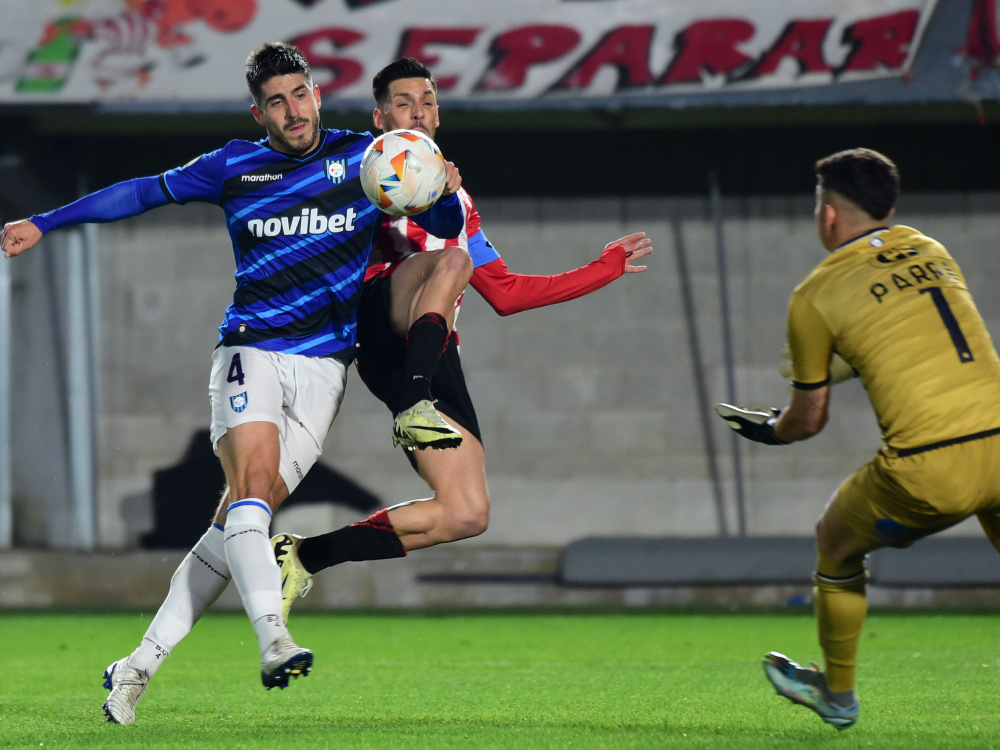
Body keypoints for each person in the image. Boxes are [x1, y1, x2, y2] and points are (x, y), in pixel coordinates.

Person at [0, 42, 464, 724]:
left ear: (314, 94)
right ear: (260, 112)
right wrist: (45, 221)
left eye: (299, 94)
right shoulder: (233, 166)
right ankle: (274, 637)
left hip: (323, 369)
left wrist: (443, 191)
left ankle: (136, 667)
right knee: (252, 496)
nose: (292, 110)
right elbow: (139, 192)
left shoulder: (366, 161)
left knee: (231, 529)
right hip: (251, 350)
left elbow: (446, 230)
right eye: (276, 102)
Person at [270, 57, 653, 617]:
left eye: (427, 101)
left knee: (466, 512)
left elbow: (507, 292)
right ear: (380, 117)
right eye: (404, 103)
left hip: (433, 348)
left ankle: (302, 557)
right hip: (382, 327)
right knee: (451, 260)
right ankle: (413, 402)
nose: (418, 111)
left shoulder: (459, 198)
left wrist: (604, 269)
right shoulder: (359, 171)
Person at [715, 147, 1000, 730]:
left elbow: (808, 418)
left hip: (929, 469)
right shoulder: (932, 250)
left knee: (835, 543)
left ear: (827, 216)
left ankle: (837, 695)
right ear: (889, 206)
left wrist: (769, 429)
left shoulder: (815, 294)